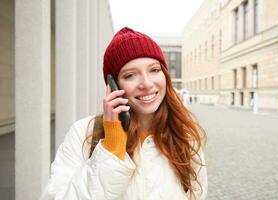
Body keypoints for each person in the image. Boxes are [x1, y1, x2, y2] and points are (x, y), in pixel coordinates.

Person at [40, 27, 207, 200]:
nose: (147, 83)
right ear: (113, 86)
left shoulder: (185, 136)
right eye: (130, 75)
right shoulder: (83, 133)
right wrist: (111, 149)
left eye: (154, 70)